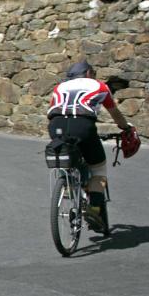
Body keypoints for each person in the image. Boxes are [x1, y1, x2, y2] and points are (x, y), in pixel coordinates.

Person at [47, 61, 138, 231]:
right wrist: (125, 128)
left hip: (56, 125)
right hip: (83, 126)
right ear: (88, 73)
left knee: (65, 151)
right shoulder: (100, 86)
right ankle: (94, 209)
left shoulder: (60, 87)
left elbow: (54, 108)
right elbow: (115, 113)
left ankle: (67, 184)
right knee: (98, 168)